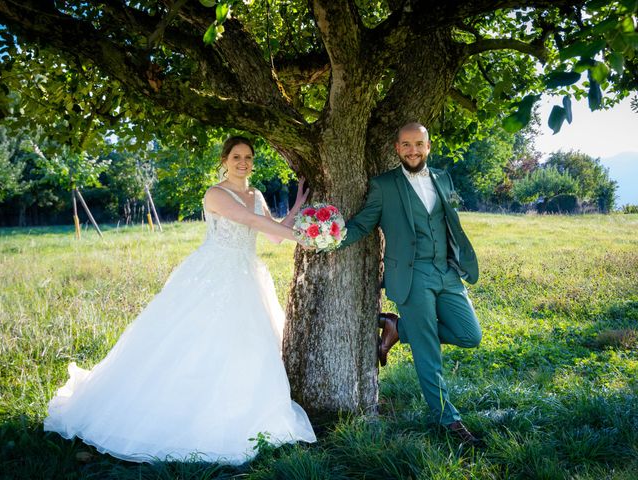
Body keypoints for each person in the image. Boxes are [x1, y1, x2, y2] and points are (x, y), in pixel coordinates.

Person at [44, 136, 316, 464]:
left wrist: (298, 208)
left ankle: (244, 410)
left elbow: (271, 233)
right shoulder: (216, 194)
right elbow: (249, 221)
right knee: (198, 341)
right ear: (224, 160)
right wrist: (302, 236)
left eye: (247, 157)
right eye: (236, 156)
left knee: (248, 343)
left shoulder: (255, 194)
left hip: (247, 275)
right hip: (215, 274)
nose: (242, 162)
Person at [340, 122, 482, 445]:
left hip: (446, 271)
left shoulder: (443, 179)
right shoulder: (384, 185)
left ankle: (397, 329)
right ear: (397, 148)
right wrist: (329, 238)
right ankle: (449, 420)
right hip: (411, 274)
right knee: (427, 348)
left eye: (419, 144)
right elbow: (364, 223)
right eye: (406, 144)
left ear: (428, 147)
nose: (413, 150)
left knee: (469, 334)